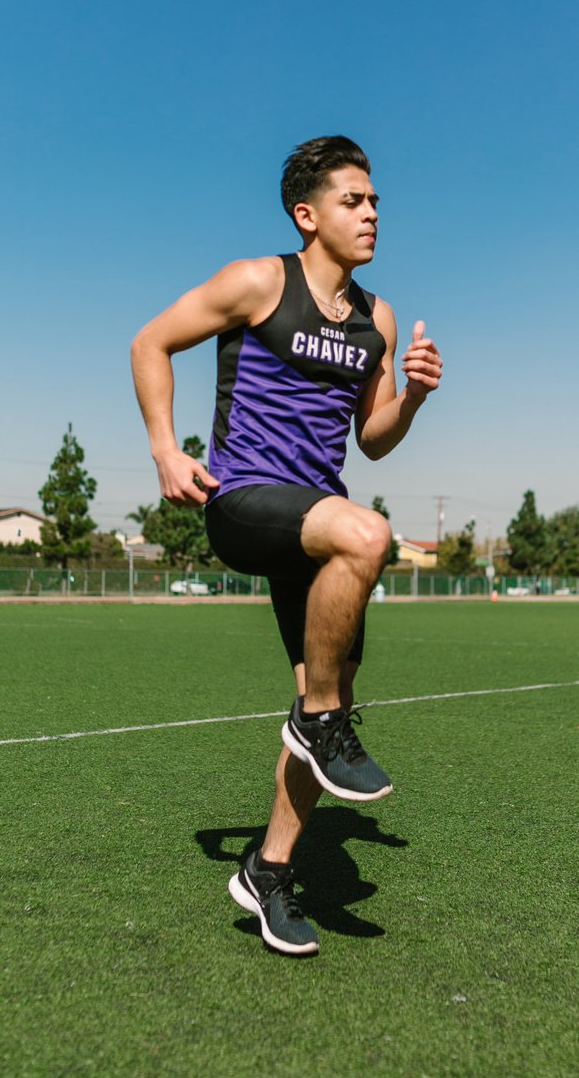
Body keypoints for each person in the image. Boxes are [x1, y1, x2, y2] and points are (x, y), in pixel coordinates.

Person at [131, 135, 442, 956]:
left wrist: (409, 397)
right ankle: (320, 722)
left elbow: (370, 440)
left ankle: (268, 870)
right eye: (353, 200)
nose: (371, 213)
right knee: (367, 534)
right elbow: (149, 342)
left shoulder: (374, 317)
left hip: (316, 528)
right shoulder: (259, 281)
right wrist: (166, 448)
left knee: (325, 693)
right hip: (244, 503)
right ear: (308, 215)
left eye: (375, 200)